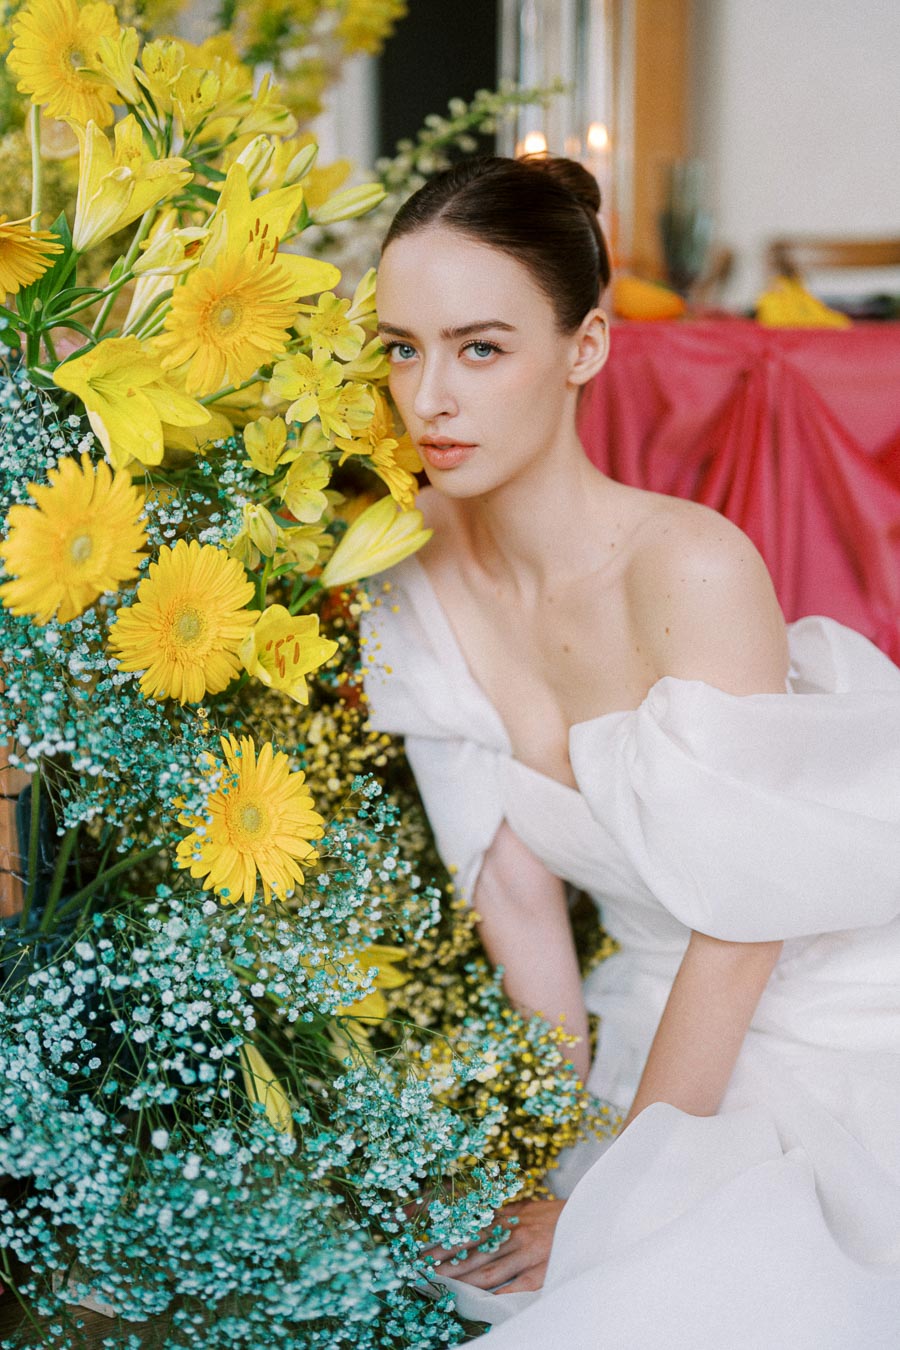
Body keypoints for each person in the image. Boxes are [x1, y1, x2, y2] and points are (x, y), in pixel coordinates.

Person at [361, 155, 900, 1349]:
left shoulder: (689, 568)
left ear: (588, 348)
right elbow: (518, 895)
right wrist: (551, 1155)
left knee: (680, 1287)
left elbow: (746, 920)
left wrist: (611, 1198)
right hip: (650, 1017)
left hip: (834, 1009)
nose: (429, 399)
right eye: (402, 348)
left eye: (481, 347)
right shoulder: (404, 568)